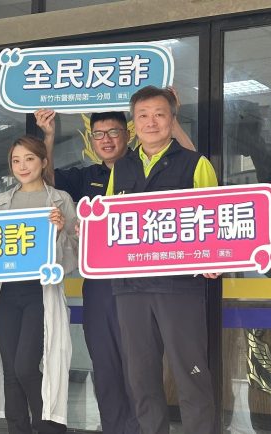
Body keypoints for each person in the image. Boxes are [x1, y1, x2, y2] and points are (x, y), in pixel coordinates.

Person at [34, 101, 195, 434]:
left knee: (139, 367)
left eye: (113, 132)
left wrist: (172, 117)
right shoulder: (87, 176)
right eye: (98, 135)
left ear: (128, 134)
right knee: (105, 365)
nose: (106, 140)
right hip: (100, 286)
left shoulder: (146, 168)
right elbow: (46, 179)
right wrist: (48, 135)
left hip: (143, 283)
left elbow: (192, 167)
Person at [106, 86, 220, 434]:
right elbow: (110, 222)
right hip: (130, 288)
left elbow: (215, 220)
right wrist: (90, 231)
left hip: (179, 286)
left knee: (191, 374)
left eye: (159, 114)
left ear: (172, 119)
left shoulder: (195, 164)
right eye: (143, 115)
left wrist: (213, 257)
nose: (151, 122)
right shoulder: (121, 168)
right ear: (134, 123)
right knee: (140, 377)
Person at [0, 135, 77, 434]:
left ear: (44, 162)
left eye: (29, 159)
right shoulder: (0, 202)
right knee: (10, 371)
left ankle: (49, 426)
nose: (22, 166)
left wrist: (60, 232)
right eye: (16, 160)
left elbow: (76, 253)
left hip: (40, 293)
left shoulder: (60, 200)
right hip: (6, 292)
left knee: (25, 367)